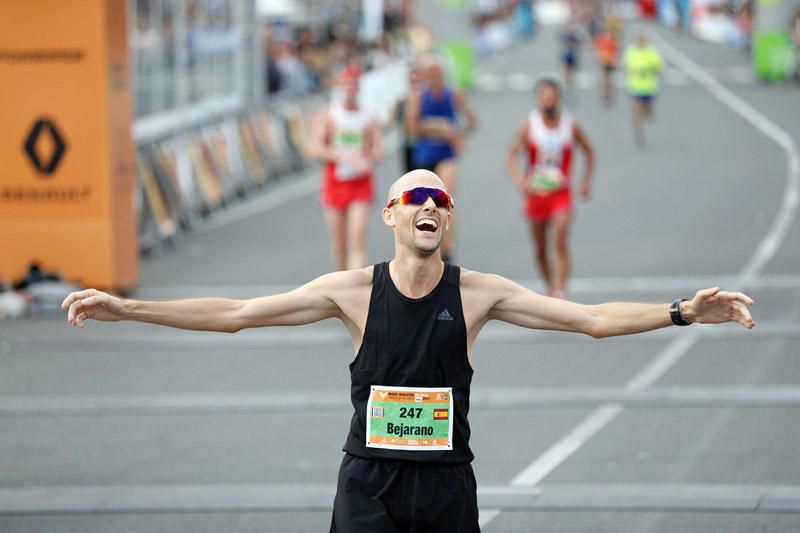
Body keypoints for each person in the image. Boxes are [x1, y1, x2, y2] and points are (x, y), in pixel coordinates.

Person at [63, 169, 755, 532]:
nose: (429, 203)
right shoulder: (350, 292)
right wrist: (128, 306)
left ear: (446, 218)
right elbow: (237, 314)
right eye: (414, 195)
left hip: (448, 485)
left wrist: (682, 311)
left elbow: (594, 319)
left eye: (441, 198)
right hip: (369, 486)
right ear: (391, 214)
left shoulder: (479, 293)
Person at [504, 79, 595, 300]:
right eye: (544, 96)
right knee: (540, 248)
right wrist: (522, 183)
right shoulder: (529, 125)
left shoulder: (570, 125)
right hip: (536, 194)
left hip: (560, 192)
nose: (549, 100)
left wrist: (585, 182)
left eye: (552, 96)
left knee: (561, 239)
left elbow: (589, 152)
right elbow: (511, 157)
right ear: (538, 99)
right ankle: (549, 287)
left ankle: (561, 290)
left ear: (559, 99)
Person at [308, 68, 383, 270]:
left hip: (360, 184)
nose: (350, 89)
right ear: (340, 87)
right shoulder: (329, 114)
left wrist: (369, 159)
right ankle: (342, 288)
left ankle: (356, 292)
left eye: (353, 84)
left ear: (358, 88)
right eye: (346, 84)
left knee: (357, 238)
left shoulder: (368, 116)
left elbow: (378, 151)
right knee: (339, 243)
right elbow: (314, 148)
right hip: (335, 182)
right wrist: (341, 157)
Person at [406, 58, 477, 263]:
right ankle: (424, 243)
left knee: (444, 201)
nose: (433, 77)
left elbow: (472, 121)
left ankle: (447, 250)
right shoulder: (418, 96)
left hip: (446, 156)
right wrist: (440, 131)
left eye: (437, 73)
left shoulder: (453, 94)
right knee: (423, 205)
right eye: (430, 74)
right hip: (425, 156)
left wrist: (458, 135)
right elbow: (412, 128)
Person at [622, 32, 664, 145]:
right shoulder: (630, 52)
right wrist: (626, 74)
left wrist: (654, 72)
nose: (640, 42)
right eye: (638, 39)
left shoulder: (652, 52)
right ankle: (639, 133)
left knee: (645, 110)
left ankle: (649, 111)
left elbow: (659, 68)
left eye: (643, 39)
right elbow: (625, 66)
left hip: (649, 87)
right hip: (635, 87)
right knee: (636, 110)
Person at [594, 18, 620, 107]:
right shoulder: (601, 38)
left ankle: (609, 96)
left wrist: (615, 59)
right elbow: (598, 49)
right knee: (605, 79)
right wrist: (599, 57)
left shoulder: (613, 38)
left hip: (610, 60)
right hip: (604, 60)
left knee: (609, 80)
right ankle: (605, 96)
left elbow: (616, 50)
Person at [560, 22, 582, 96]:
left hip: (572, 55)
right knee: (566, 72)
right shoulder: (564, 35)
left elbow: (579, 45)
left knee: (572, 72)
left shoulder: (575, 36)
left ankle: (571, 87)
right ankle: (567, 87)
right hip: (566, 55)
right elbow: (560, 46)